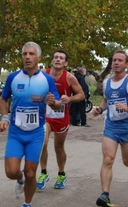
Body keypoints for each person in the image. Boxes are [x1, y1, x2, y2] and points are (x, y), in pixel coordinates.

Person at [0, 42, 62, 207]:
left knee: (31, 172)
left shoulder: (47, 80)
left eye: (31, 54)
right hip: (16, 132)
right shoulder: (13, 78)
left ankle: (27, 206)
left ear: (39, 58)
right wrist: (4, 118)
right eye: (25, 54)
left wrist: (53, 102)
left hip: (36, 133)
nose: (27, 57)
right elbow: (3, 100)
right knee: (11, 172)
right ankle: (19, 181)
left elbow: (57, 104)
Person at [92, 50, 128, 207]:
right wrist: (100, 110)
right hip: (110, 127)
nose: (116, 62)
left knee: (126, 161)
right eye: (114, 60)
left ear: (126, 64)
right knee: (108, 159)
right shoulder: (106, 82)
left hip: (127, 128)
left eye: (120, 60)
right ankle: (105, 195)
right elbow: (105, 100)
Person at [37, 51, 85, 190]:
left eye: (61, 58)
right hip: (45, 116)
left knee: (58, 148)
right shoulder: (42, 75)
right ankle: (44, 172)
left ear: (65, 63)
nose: (58, 60)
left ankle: (61, 173)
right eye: (56, 57)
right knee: (42, 143)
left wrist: (69, 99)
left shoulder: (69, 77)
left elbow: (81, 95)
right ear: (52, 60)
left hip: (61, 116)